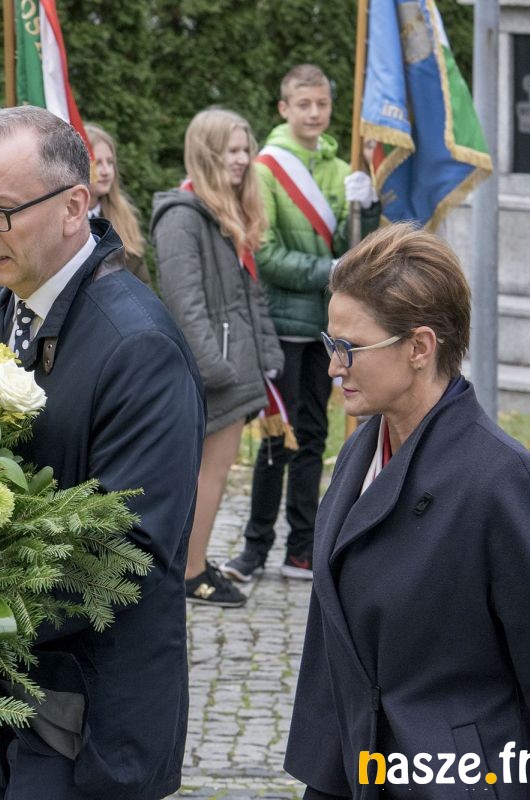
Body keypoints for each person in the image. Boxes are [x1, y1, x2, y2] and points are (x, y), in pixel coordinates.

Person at [0, 106, 205, 800]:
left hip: (93, 718)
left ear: (74, 207)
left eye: (0, 212)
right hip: (4, 696)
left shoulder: (139, 345)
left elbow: (128, 553)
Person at [285, 224, 530, 799]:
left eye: (350, 348)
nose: (334, 366)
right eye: (330, 343)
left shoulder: (503, 481)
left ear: (419, 347)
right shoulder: (362, 450)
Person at [222, 64, 380, 585]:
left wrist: (367, 207)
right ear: (284, 108)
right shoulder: (266, 169)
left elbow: (356, 248)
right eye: (304, 104)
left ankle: (302, 548)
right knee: (277, 438)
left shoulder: (340, 167)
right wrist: (331, 270)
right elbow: (266, 254)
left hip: (327, 329)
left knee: (313, 436)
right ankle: (253, 548)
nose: (315, 113)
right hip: (281, 325)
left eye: (323, 104)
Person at [150, 108, 284, 609]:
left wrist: (266, 356)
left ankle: (194, 562)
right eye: (232, 150)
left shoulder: (224, 213)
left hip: (235, 368)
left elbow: (249, 298)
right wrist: (217, 370)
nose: (243, 159)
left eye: (246, 149)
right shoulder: (183, 217)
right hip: (215, 375)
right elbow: (185, 306)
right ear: (206, 153)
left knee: (216, 472)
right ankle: (191, 573)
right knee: (208, 473)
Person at [83, 122, 150, 284]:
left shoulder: (124, 216)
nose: (106, 171)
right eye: (97, 163)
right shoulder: (64, 220)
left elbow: (142, 280)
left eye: (110, 162)